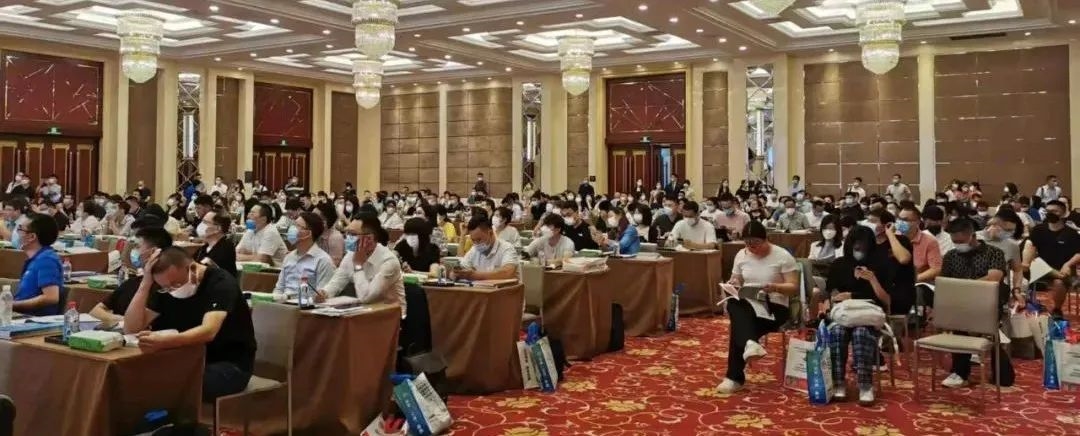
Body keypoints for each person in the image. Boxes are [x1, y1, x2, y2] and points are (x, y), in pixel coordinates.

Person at [123, 247, 256, 402]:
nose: (172, 290)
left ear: (192, 268)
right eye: (166, 287)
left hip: (227, 365)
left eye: (176, 284)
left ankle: (172, 418)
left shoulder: (221, 284)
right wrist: (145, 283)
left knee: (165, 383)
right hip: (184, 360)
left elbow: (208, 331)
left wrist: (165, 342)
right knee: (131, 374)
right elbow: (131, 328)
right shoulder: (165, 289)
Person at [716, 221, 799, 394]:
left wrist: (775, 287)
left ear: (766, 239)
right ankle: (750, 344)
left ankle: (734, 378)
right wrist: (734, 283)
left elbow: (793, 287)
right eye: (748, 244)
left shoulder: (782, 256)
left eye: (756, 243)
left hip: (774, 307)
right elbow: (737, 279)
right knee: (735, 302)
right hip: (749, 304)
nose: (752, 248)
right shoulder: (741, 255)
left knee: (739, 327)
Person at [824, 225, 891, 405]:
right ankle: (838, 382)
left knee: (861, 333)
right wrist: (834, 299)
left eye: (863, 246)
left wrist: (872, 279)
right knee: (837, 332)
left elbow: (886, 300)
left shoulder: (881, 264)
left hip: (868, 314)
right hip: (843, 313)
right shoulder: (839, 264)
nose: (859, 250)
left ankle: (865, 385)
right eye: (856, 246)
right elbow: (831, 292)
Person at [938, 217, 1009, 388]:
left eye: (961, 241)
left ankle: (967, 369)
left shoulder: (994, 253)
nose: (958, 245)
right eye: (955, 241)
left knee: (970, 320)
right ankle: (960, 372)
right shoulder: (951, 256)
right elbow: (945, 283)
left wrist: (966, 287)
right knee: (958, 318)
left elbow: (993, 279)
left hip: (988, 302)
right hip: (959, 304)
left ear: (973, 236)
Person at [90, 227, 172, 326]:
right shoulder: (130, 283)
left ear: (153, 252)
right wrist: (123, 320)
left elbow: (143, 325)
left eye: (138, 246)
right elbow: (95, 311)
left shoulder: (165, 291)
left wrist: (128, 321)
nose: (133, 251)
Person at [319, 220, 405, 313]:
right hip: (364, 312)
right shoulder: (351, 254)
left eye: (352, 234)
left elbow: (366, 297)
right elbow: (337, 281)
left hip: (390, 315)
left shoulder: (389, 261)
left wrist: (358, 265)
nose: (347, 237)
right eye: (347, 233)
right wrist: (324, 293)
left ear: (369, 238)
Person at [1022, 200, 1080, 317]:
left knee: (1059, 282)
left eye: (1054, 211)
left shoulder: (1071, 234)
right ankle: (1056, 274)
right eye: (1048, 211)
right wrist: (1026, 261)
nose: (1050, 214)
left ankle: (1057, 310)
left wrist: (1068, 264)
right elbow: (1030, 246)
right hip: (1040, 269)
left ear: (1063, 214)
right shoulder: (1039, 230)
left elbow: (1078, 253)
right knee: (1033, 256)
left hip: (1064, 270)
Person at [864, 210, 915, 315]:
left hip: (898, 292)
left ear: (886, 225)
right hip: (872, 291)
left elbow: (903, 259)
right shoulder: (868, 244)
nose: (869, 224)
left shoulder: (901, 240)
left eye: (873, 221)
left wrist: (890, 234)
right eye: (868, 221)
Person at [11, 214, 63, 316]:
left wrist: (11, 305)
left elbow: (51, 297)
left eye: (20, 229)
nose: (17, 233)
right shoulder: (36, 258)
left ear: (32, 237)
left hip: (33, 319)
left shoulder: (47, 260)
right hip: (19, 314)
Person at [274, 213, 335, 294]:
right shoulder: (289, 257)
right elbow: (279, 289)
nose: (292, 228)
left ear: (308, 233)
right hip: (283, 300)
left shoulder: (323, 260)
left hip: (306, 301)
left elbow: (321, 295)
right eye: (293, 225)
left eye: (297, 226)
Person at [455, 216, 520, 281]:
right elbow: (462, 267)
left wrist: (475, 275)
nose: (476, 244)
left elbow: (508, 272)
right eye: (473, 240)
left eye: (479, 240)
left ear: (490, 233)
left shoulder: (507, 248)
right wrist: (456, 274)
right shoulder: (474, 250)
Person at [193, 208, 237, 278]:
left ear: (218, 228)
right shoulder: (204, 248)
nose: (201, 225)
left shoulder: (226, 248)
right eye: (202, 221)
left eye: (205, 222)